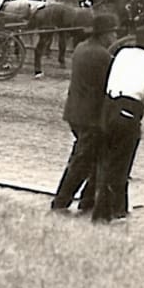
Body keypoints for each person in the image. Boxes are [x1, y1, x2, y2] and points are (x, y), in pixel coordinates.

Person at [92, 24, 144, 223]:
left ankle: (118, 208)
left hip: (108, 108)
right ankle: (103, 214)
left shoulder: (123, 53)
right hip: (128, 110)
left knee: (108, 160)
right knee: (120, 164)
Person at [53, 14, 118, 213]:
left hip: (75, 111)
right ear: (105, 34)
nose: (115, 37)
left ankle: (86, 200)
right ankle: (62, 201)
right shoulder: (102, 55)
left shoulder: (81, 48)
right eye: (113, 32)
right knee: (84, 160)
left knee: (92, 156)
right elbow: (110, 83)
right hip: (91, 116)